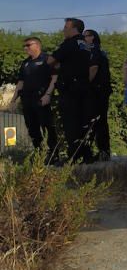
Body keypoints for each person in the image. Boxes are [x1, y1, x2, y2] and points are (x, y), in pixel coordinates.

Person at [46, 18, 94, 163]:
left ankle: (73, 156)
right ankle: (86, 155)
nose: (63, 30)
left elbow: (50, 61)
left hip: (70, 89)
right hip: (84, 87)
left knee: (71, 123)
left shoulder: (69, 43)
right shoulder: (85, 44)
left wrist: (60, 64)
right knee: (83, 122)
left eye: (66, 27)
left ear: (74, 29)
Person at [10, 37, 60, 163]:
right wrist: (13, 100)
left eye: (28, 45)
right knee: (32, 128)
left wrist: (48, 94)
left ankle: (53, 154)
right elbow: (20, 82)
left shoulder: (47, 59)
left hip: (41, 98)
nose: (25, 48)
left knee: (47, 126)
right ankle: (39, 153)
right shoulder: (25, 63)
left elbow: (55, 78)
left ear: (37, 45)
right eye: (24, 46)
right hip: (27, 100)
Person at [83, 29, 112, 161]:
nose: (83, 38)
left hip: (98, 91)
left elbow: (93, 68)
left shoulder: (94, 50)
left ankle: (103, 151)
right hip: (101, 90)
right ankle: (102, 151)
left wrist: (85, 84)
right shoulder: (99, 51)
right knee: (99, 122)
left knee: (98, 121)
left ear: (92, 38)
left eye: (85, 36)